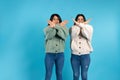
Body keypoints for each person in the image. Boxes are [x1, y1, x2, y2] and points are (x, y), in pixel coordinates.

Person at [44, 14, 69, 80]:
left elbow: (63, 36)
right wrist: (58, 27)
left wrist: (56, 26)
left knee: (59, 73)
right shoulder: (46, 29)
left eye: (57, 19)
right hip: (49, 54)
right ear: (51, 20)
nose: (56, 20)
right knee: (48, 73)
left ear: (60, 20)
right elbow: (50, 36)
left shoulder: (65, 28)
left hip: (60, 54)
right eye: (54, 19)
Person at [70, 14, 93, 80]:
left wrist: (83, 26)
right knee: (75, 75)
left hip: (85, 56)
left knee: (84, 75)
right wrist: (80, 25)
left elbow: (87, 35)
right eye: (78, 19)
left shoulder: (89, 28)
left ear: (84, 20)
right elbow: (73, 35)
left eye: (82, 19)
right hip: (75, 56)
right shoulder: (72, 28)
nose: (80, 21)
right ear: (75, 21)